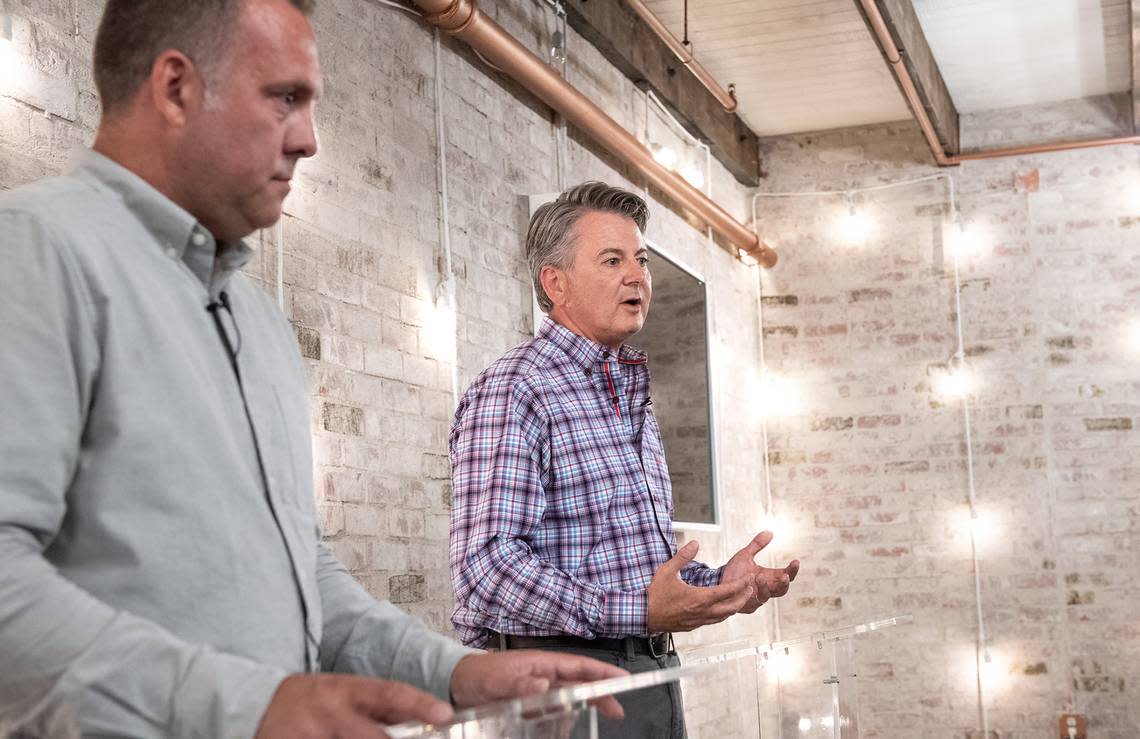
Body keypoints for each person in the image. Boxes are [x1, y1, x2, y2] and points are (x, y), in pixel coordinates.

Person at [0, 2, 625, 737]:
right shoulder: (34, 254)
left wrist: (449, 669)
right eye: (285, 99)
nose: (309, 139)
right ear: (176, 88)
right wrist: (247, 705)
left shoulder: (258, 321)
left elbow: (303, 574)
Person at [449, 182, 801, 738]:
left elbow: (627, 570)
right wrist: (638, 613)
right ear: (555, 283)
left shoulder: (625, 390)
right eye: (612, 260)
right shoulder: (517, 388)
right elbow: (486, 570)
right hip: (563, 686)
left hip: (652, 673)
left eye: (640, 260)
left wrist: (717, 587)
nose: (638, 276)